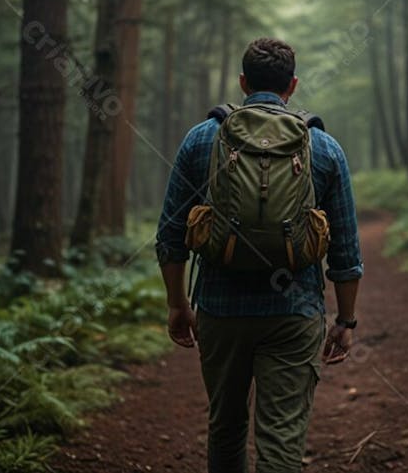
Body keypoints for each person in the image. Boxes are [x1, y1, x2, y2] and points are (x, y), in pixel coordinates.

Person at [156, 37, 364, 473]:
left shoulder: (202, 139)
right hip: (295, 311)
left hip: (219, 309)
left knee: (226, 426)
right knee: (282, 436)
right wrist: (345, 321)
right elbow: (345, 250)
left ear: (243, 82)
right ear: (293, 85)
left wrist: (178, 304)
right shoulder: (323, 147)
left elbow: (171, 235)